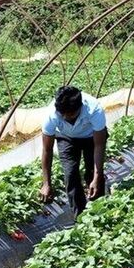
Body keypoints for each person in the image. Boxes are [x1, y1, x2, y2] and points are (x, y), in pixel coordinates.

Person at [40, 86, 108, 217]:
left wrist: (97, 176)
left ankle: (100, 212)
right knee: (70, 173)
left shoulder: (94, 109)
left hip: (90, 137)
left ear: (80, 107)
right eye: (63, 114)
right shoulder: (51, 115)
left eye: (71, 114)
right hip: (66, 138)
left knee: (93, 173)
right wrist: (46, 183)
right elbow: (47, 150)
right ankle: (80, 216)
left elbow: (99, 145)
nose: (66, 117)